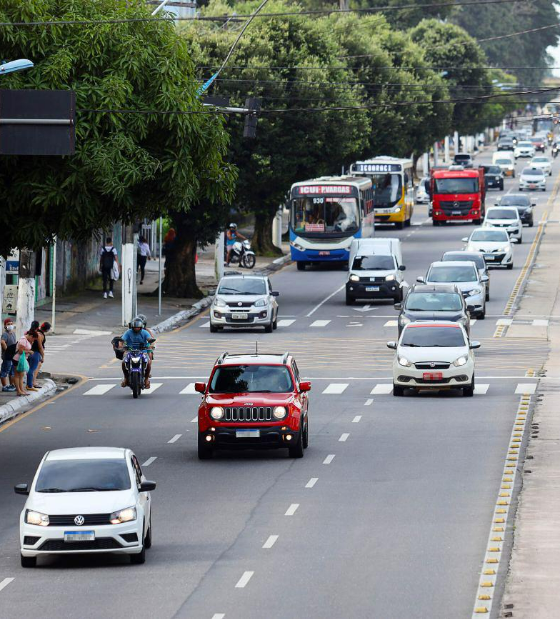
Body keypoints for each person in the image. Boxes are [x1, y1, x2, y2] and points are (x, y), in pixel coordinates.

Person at [120, 318, 155, 389]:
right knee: (123, 363)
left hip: (142, 351)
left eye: (138, 327)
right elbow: (122, 340)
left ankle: (146, 379)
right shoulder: (128, 332)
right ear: (132, 327)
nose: (136, 329)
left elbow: (149, 339)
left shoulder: (145, 332)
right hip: (130, 351)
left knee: (148, 363)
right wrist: (121, 346)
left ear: (141, 327)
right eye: (135, 327)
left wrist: (151, 344)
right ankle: (126, 378)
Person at [30, 322, 51, 389]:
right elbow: (40, 347)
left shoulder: (36, 332)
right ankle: (33, 382)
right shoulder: (40, 335)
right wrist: (43, 356)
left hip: (32, 352)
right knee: (36, 368)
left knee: (33, 368)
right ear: (47, 329)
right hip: (36, 352)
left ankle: (32, 382)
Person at [12, 332, 33, 397]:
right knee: (17, 375)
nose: (33, 340)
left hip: (21, 359)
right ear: (31, 336)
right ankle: (18, 391)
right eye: (33, 338)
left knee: (21, 375)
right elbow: (21, 351)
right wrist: (29, 351)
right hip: (17, 359)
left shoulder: (26, 340)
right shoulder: (23, 340)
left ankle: (22, 390)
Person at [25, 321, 44, 392]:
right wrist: (43, 356)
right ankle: (29, 385)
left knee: (30, 369)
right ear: (38, 327)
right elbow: (40, 347)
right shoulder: (37, 334)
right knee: (32, 369)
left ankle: (30, 384)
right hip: (35, 353)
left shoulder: (27, 333)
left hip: (28, 353)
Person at [1, 318, 17, 393]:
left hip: (12, 356)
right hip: (7, 356)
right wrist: (7, 350)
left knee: (12, 372)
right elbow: (2, 342)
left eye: (11, 324)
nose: (10, 325)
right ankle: (4, 386)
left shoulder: (13, 333)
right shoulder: (5, 334)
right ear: (5, 326)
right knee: (5, 371)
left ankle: (12, 385)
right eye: (8, 324)